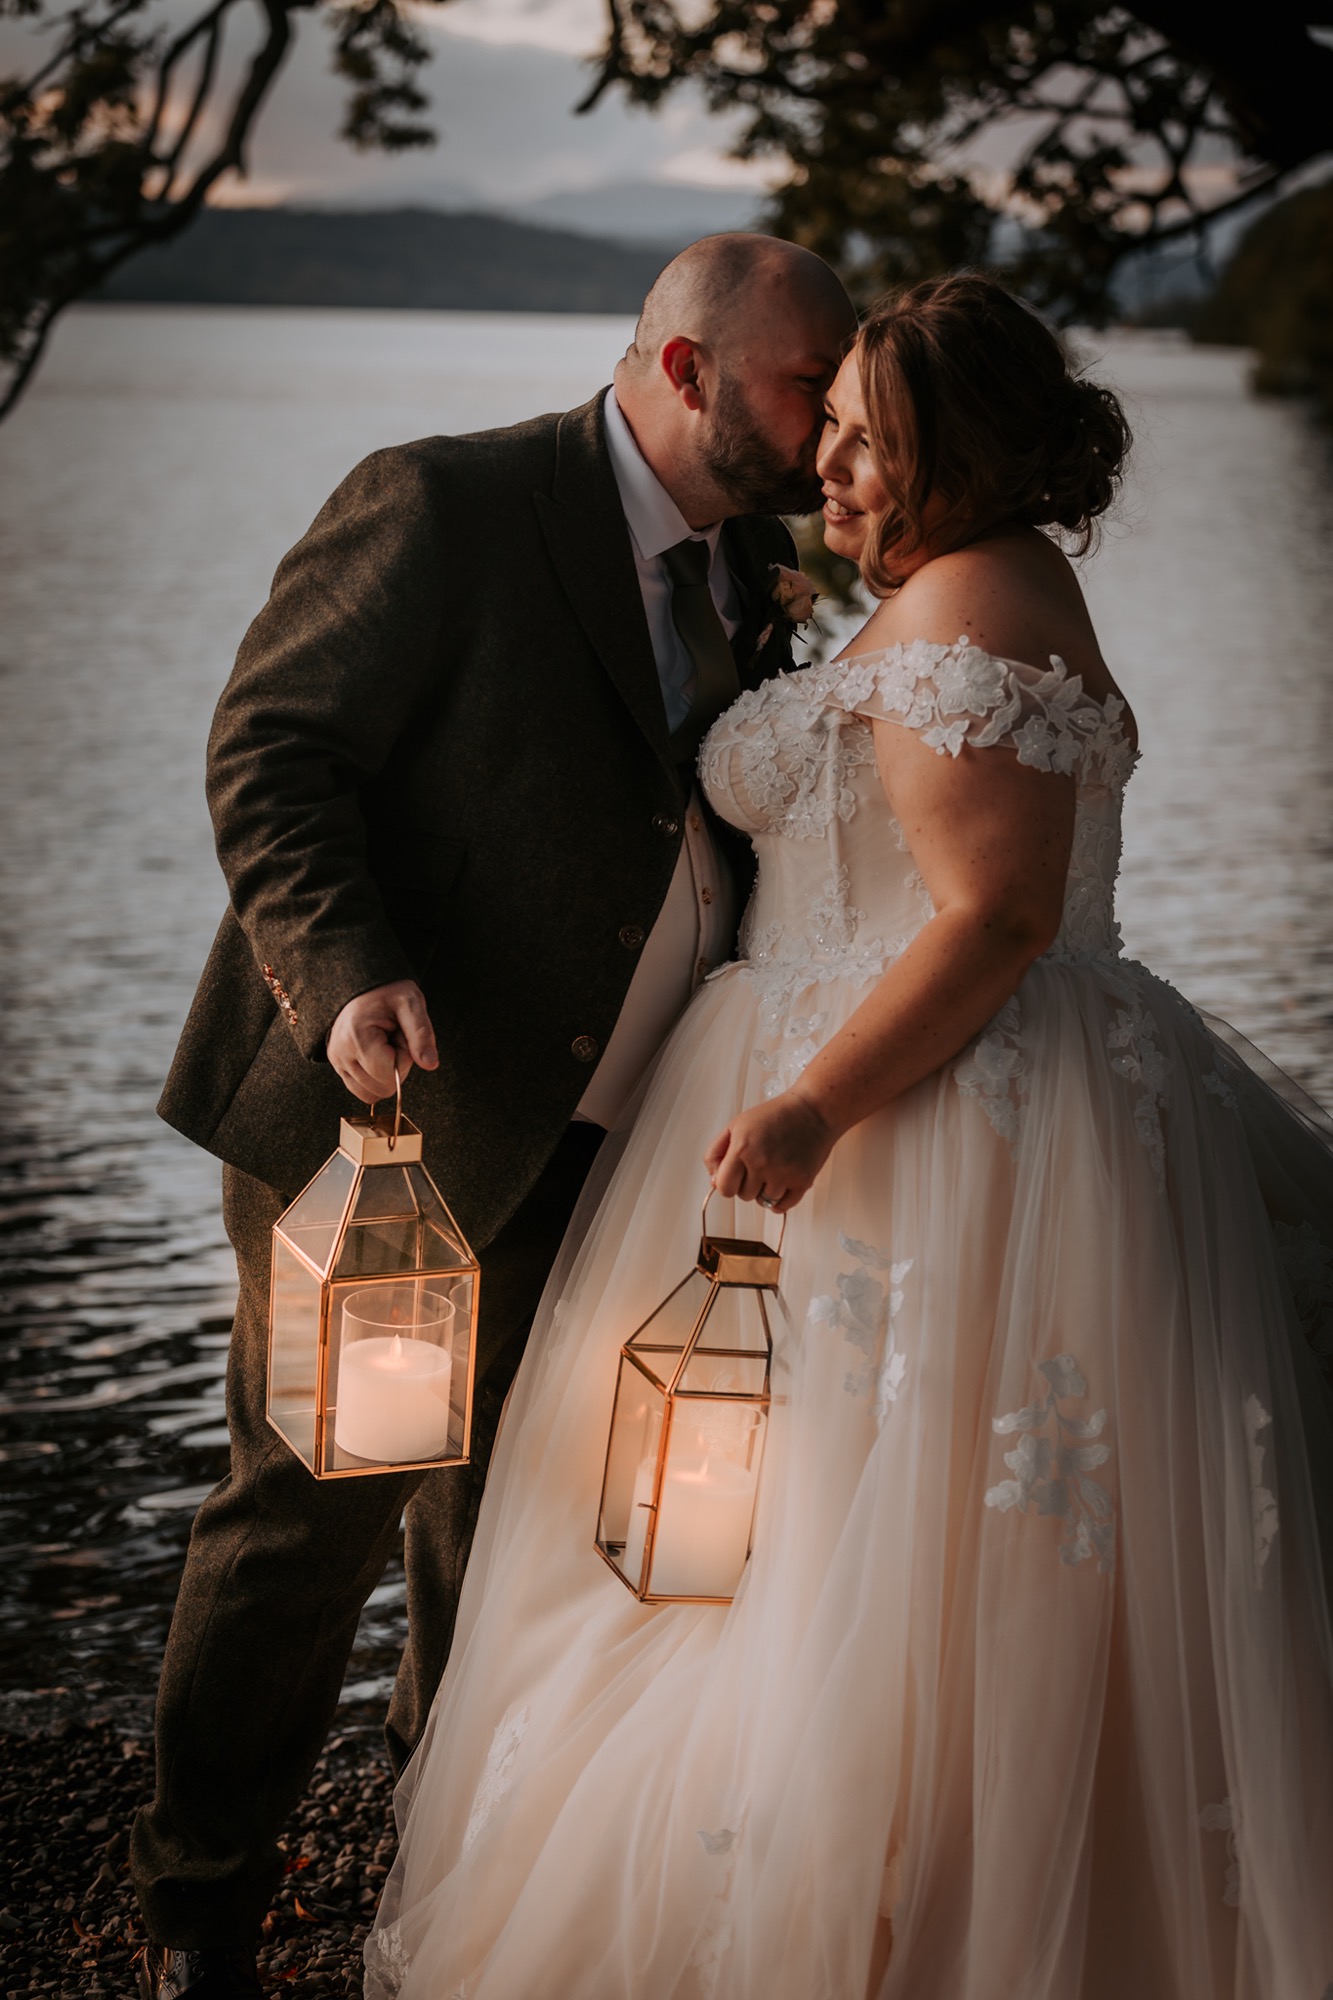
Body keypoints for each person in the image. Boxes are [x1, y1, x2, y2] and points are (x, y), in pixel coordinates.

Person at [362, 273, 1333, 2000]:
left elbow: (996, 913)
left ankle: (898, 1920)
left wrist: (812, 1104)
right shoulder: (961, 587)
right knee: (810, 1529)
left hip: (918, 1117)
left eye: (870, 442)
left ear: (957, 452)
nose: (829, 465)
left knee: (876, 1541)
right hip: (886, 1095)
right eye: (833, 428)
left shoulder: (978, 608)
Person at [129, 234, 859, 2000]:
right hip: (391, 1113)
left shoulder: (755, 562)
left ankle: (434, 1888)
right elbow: (272, 750)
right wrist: (345, 969)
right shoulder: (443, 507)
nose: (829, 417)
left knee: (498, 1525)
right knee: (307, 1525)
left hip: (600, 1133)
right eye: (799, 386)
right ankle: (193, 1911)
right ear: (684, 373)